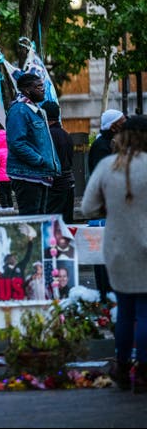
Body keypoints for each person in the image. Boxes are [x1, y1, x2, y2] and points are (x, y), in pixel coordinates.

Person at [81, 114, 147, 393]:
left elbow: (87, 208)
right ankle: (143, 371)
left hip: (118, 247)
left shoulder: (108, 166)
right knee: (145, 312)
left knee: (125, 310)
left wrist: (111, 209)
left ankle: (121, 365)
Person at [6, 73, 61, 215]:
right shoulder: (19, 110)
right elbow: (16, 143)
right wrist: (39, 160)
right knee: (30, 223)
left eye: (42, 86)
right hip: (27, 175)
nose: (43, 89)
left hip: (39, 175)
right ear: (27, 90)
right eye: (38, 86)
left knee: (39, 221)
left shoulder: (34, 110)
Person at [87, 108, 126, 302]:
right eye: (122, 120)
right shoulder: (103, 147)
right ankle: (106, 295)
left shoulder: (105, 144)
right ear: (113, 126)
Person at [43, 101, 75, 223]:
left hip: (55, 185)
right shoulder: (66, 135)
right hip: (68, 182)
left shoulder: (48, 136)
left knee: (52, 224)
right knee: (66, 224)